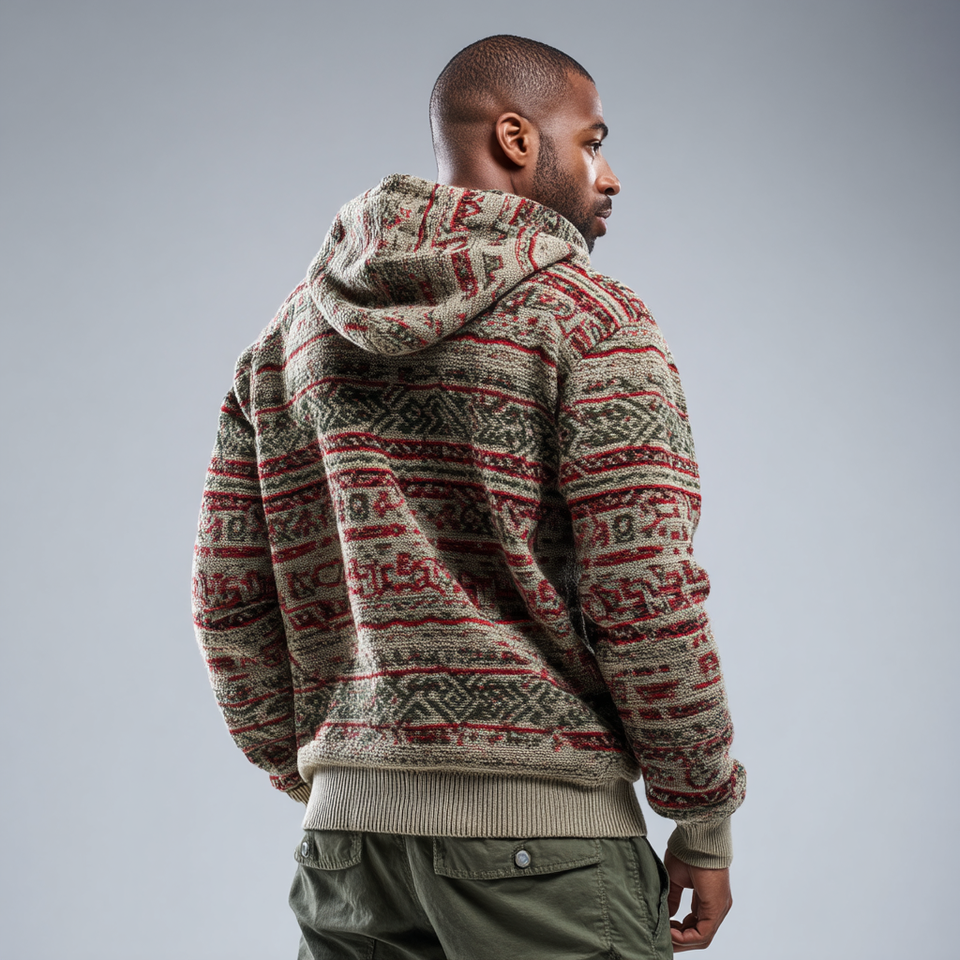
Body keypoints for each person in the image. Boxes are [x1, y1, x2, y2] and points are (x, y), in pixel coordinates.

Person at [192, 34, 745, 959]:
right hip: (549, 852)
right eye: (593, 143)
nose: (610, 177)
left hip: (349, 853)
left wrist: (339, 776)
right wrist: (703, 814)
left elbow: (228, 601)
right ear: (518, 138)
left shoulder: (286, 343)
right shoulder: (592, 324)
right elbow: (643, 592)